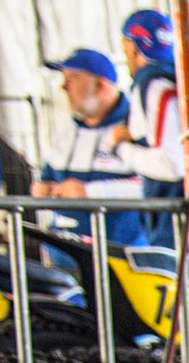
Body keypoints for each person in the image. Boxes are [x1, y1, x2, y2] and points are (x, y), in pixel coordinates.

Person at [30, 48, 148, 249]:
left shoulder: (139, 127)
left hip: (121, 256)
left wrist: (89, 192)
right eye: (64, 79)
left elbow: (155, 185)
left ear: (101, 85)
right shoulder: (66, 133)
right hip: (64, 254)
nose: (63, 87)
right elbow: (47, 178)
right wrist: (43, 189)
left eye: (73, 78)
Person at [108, 9, 184, 248]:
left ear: (132, 46)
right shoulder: (179, 81)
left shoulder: (154, 87)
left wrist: (120, 148)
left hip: (172, 222)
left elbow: (172, 164)